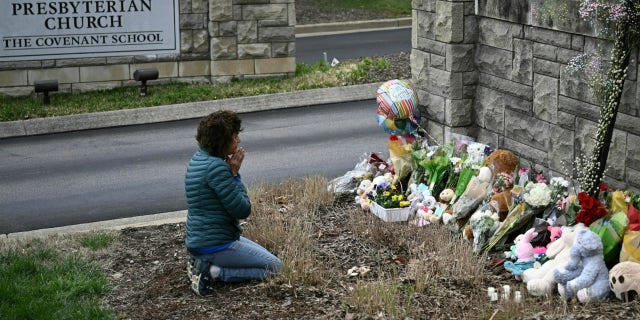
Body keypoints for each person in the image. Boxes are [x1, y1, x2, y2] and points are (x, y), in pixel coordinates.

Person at [184, 110, 282, 296]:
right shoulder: (217, 168)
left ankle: (201, 262)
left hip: (201, 240)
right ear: (221, 142)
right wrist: (235, 175)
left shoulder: (199, 158)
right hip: (216, 244)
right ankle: (212, 272)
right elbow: (242, 210)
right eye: (234, 136)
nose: (238, 140)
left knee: (271, 259)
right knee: (277, 268)